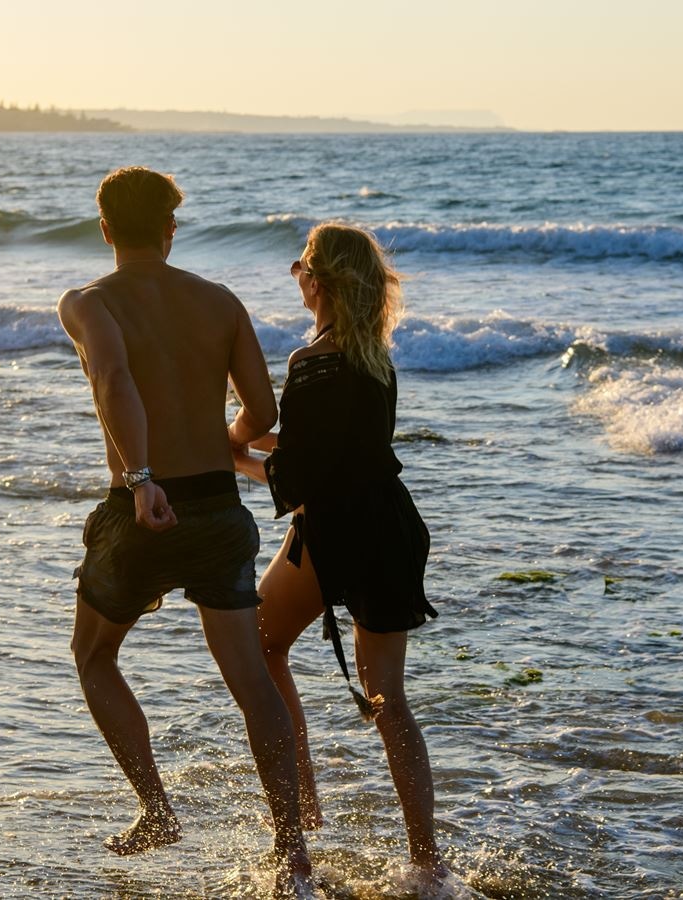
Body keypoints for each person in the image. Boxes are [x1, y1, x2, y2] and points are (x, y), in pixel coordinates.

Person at [58, 166, 312, 893]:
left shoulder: (86, 303)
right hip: (218, 511)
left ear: (105, 228)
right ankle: (291, 851)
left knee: (94, 656)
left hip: (139, 508)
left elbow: (114, 379)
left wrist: (142, 480)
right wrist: (220, 439)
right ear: (172, 229)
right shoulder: (221, 302)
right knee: (252, 681)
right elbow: (264, 414)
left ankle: (157, 808)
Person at [231, 223, 450, 886]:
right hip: (389, 527)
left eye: (300, 265)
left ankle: (301, 815)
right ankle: (427, 865)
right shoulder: (373, 358)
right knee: (390, 700)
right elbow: (332, 449)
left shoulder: (310, 362)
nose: (294, 275)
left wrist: (230, 456)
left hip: (335, 531)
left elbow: (299, 477)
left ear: (320, 280)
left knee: (260, 644)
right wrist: (251, 444)